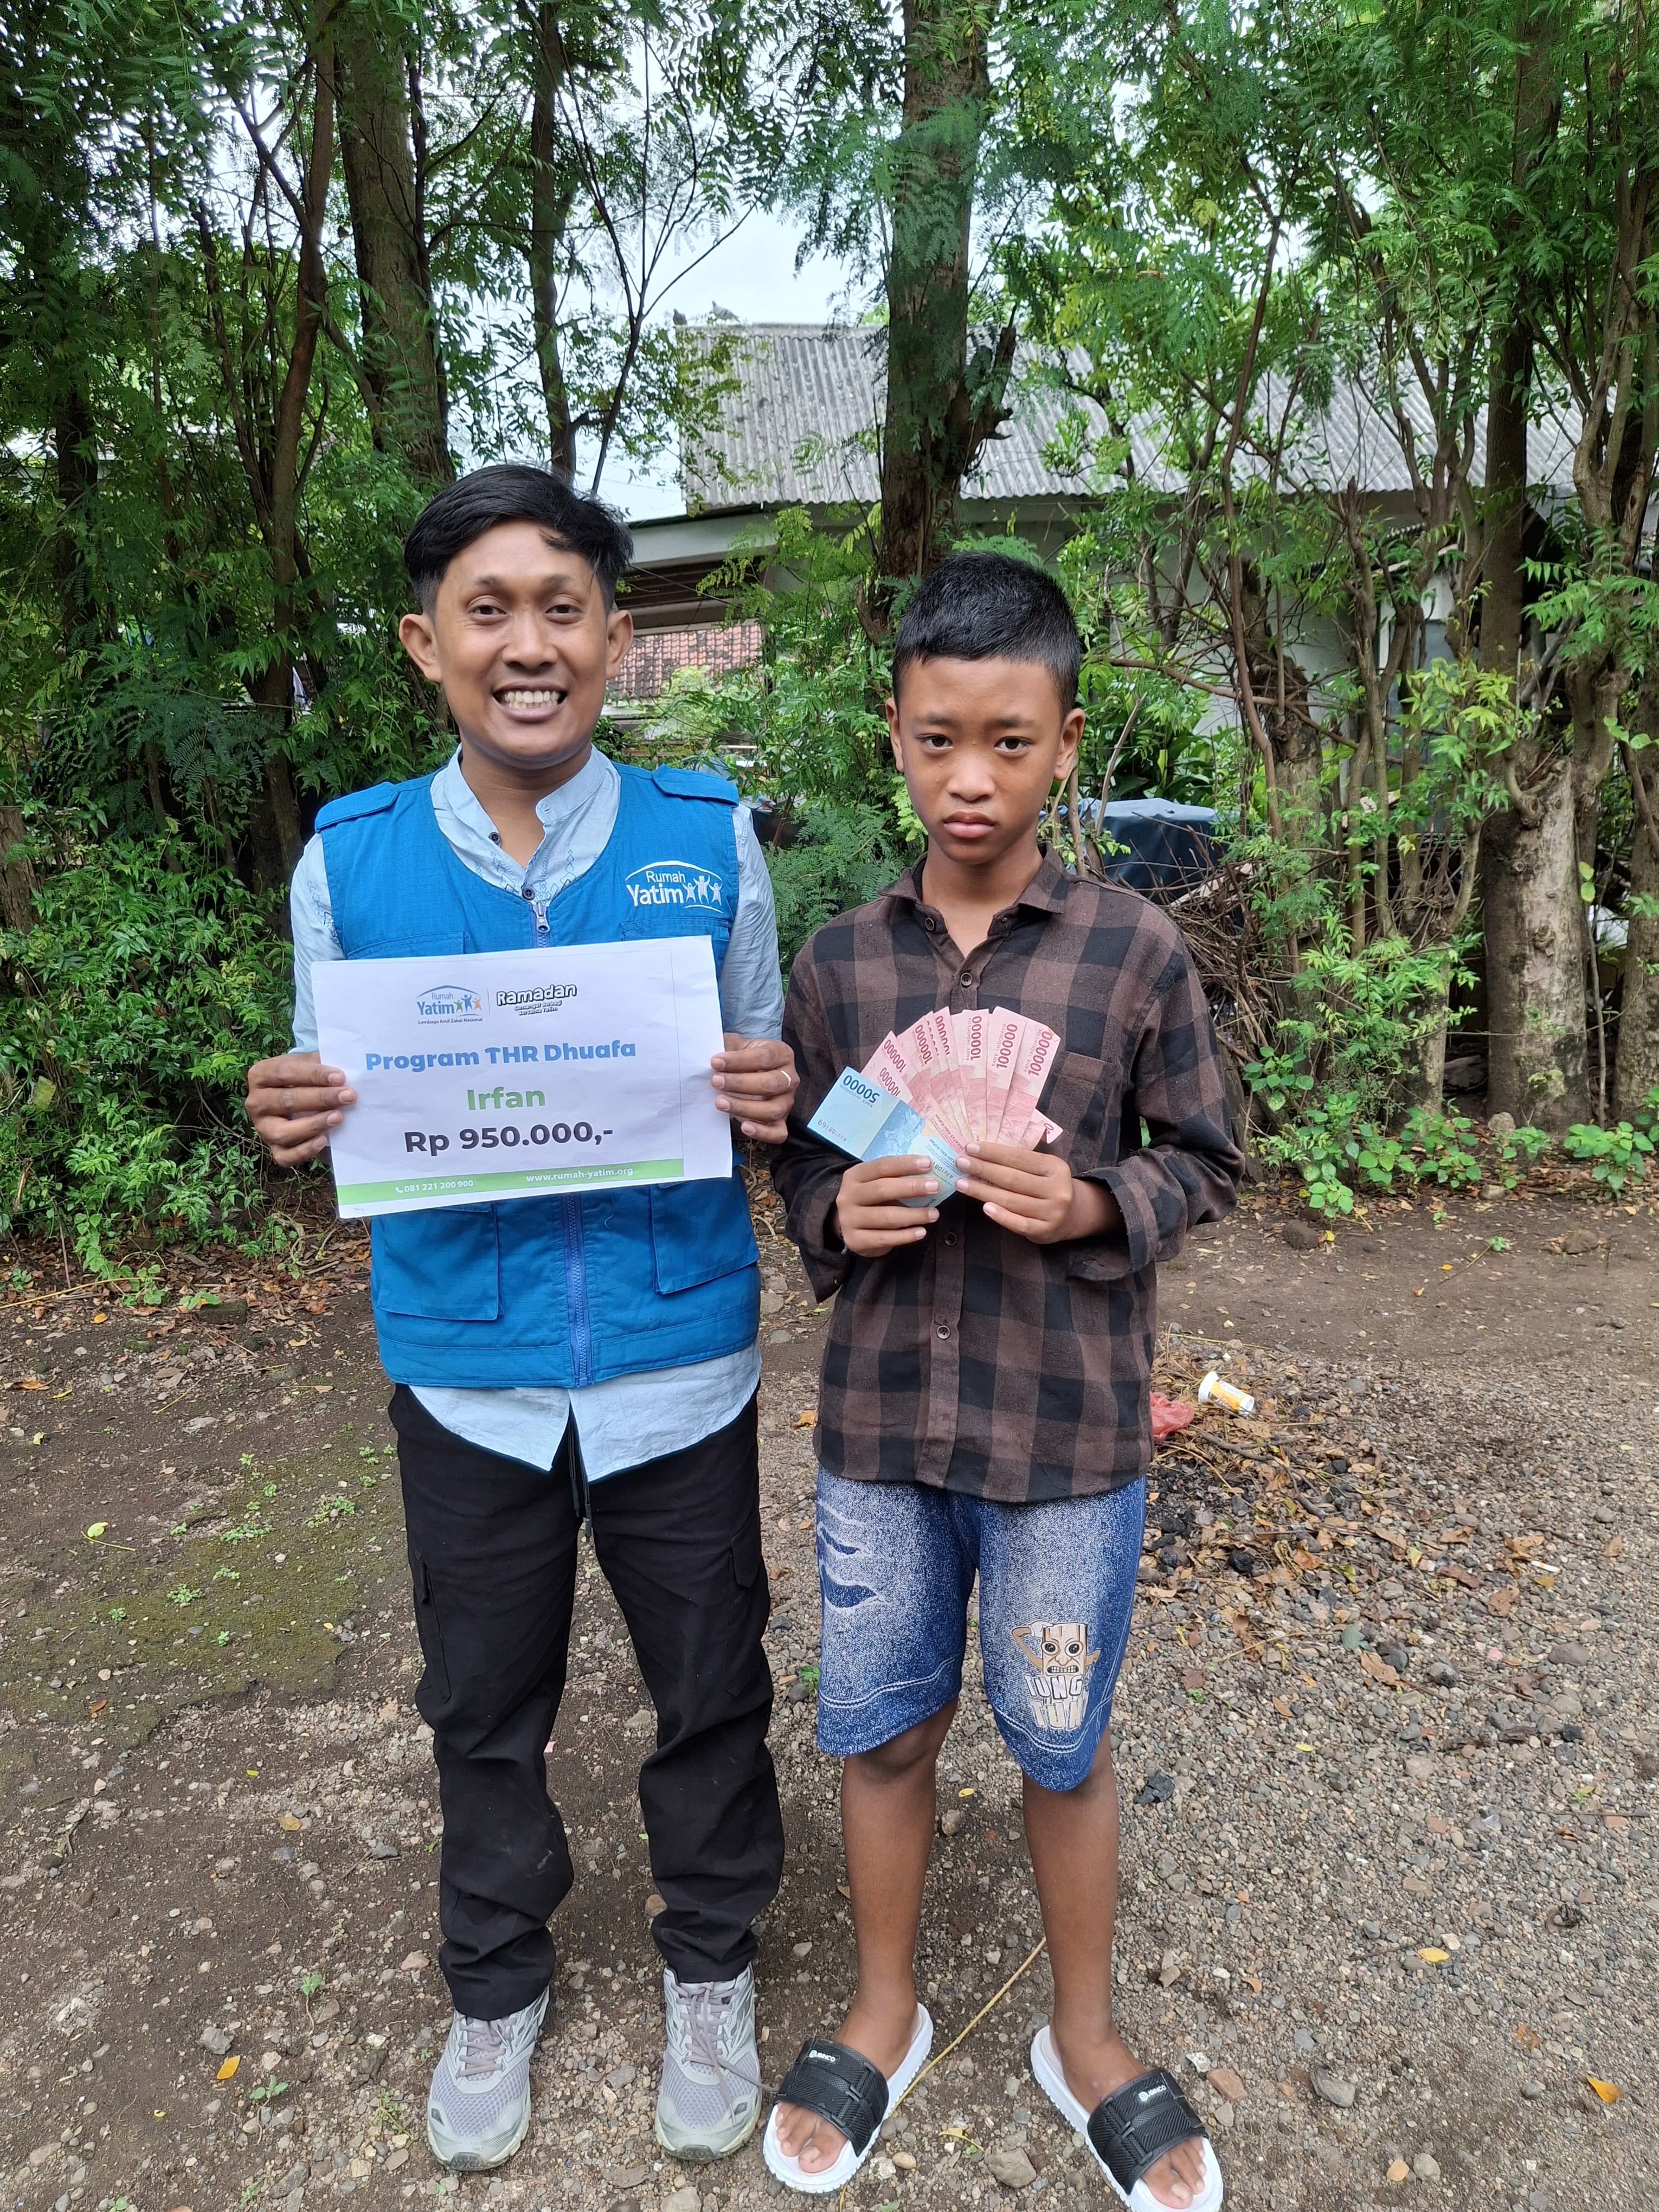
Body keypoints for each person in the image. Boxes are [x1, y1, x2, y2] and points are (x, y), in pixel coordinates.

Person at [243, 466, 796, 2176]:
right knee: (480, 1701)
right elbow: (332, 1090)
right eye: (488, 612)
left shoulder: (705, 838)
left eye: (563, 608)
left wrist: (772, 1089)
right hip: (465, 1369)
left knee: (709, 1685)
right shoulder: (353, 861)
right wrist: (294, 1113)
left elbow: (764, 1064)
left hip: (676, 1356)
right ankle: (494, 1984)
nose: (528, 644)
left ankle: (711, 1963)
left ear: (617, 640)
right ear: (427, 646)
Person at [765, 552, 1242, 2209]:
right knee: (883, 1730)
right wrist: (836, 1212)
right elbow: (800, 1172)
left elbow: (1209, 1157)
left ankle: (1083, 2035)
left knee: (1058, 1740)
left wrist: (1098, 1200)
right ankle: (883, 2009)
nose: (969, 779)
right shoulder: (839, 964)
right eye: (936, 740)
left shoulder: (1134, 953)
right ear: (891, 736)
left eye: (1010, 743)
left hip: (1066, 1441)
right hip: (882, 1437)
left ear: (1066, 742)